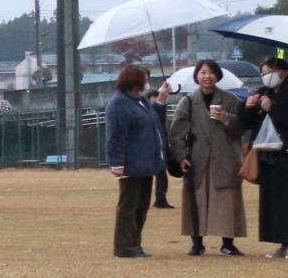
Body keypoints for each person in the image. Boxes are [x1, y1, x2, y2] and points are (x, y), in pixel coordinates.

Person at [168, 59, 246, 257]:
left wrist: (226, 118)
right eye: (202, 72)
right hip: (197, 158)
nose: (207, 76)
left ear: (217, 76)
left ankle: (228, 243)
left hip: (226, 157)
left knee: (227, 201)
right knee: (196, 200)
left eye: (211, 72)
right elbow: (176, 133)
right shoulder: (187, 102)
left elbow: (242, 128)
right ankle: (197, 243)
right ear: (197, 76)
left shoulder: (231, 100)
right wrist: (180, 157)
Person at [104, 65, 163, 259]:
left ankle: (135, 244)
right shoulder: (119, 103)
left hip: (146, 163)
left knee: (141, 206)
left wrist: (159, 102)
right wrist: (117, 163)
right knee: (129, 206)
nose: (147, 82)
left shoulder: (141, 101)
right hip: (131, 163)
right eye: (145, 79)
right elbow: (116, 135)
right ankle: (124, 247)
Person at [238, 55, 288, 259]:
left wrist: (272, 108)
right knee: (272, 202)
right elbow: (247, 122)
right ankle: (282, 242)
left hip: (285, 153)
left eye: (269, 72)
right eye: (263, 73)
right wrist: (248, 107)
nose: (266, 77)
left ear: (283, 72)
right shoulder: (263, 93)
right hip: (267, 155)